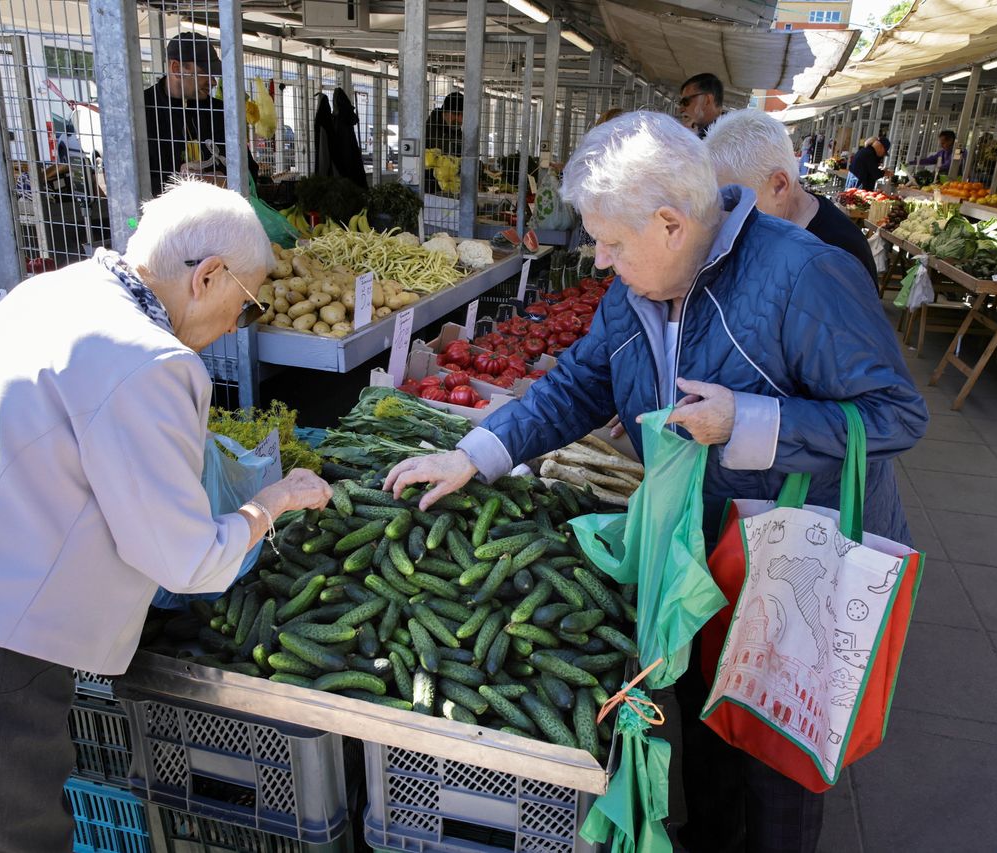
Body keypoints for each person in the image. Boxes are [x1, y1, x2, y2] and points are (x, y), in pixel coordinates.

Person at [383, 112, 927, 853]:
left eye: (611, 242)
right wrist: (476, 452)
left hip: (793, 562)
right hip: (697, 551)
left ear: (672, 223)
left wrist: (750, 417)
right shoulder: (637, 289)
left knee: (777, 764)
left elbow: (895, 414)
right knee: (706, 730)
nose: (601, 261)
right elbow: (580, 381)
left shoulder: (804, 272)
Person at [0, 180, 333, 852]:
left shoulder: (52, 292)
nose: (239, 323)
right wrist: (272, 502)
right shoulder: (150, 359)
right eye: (248, 304)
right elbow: (187, 561)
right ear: (208, 276)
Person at [707, 109, 877, 280]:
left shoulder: (838, 254)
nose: (725, 216)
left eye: (734, 201)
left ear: (779, 186)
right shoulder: (764, 229)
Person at [143, 33, 259, 194]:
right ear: (176, 68)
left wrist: (224, 180)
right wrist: (180, 184)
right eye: (206, 72)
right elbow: (128, 183)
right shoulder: (141, 112)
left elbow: (250, 171)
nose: (213, 82)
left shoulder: (220, 112)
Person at [424, 91, 465, 192]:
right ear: (444, 112)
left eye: (462, 115)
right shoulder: (429, 130)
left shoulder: (456, 131)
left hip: (451, 190)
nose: (459, 119)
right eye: (455, 114)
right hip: (430, 191)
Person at [679, 72, 726, 138]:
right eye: (680, 103)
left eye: (686, 101)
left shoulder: (730, 140)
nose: (681, 109)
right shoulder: (705, 134)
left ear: (706, 100)